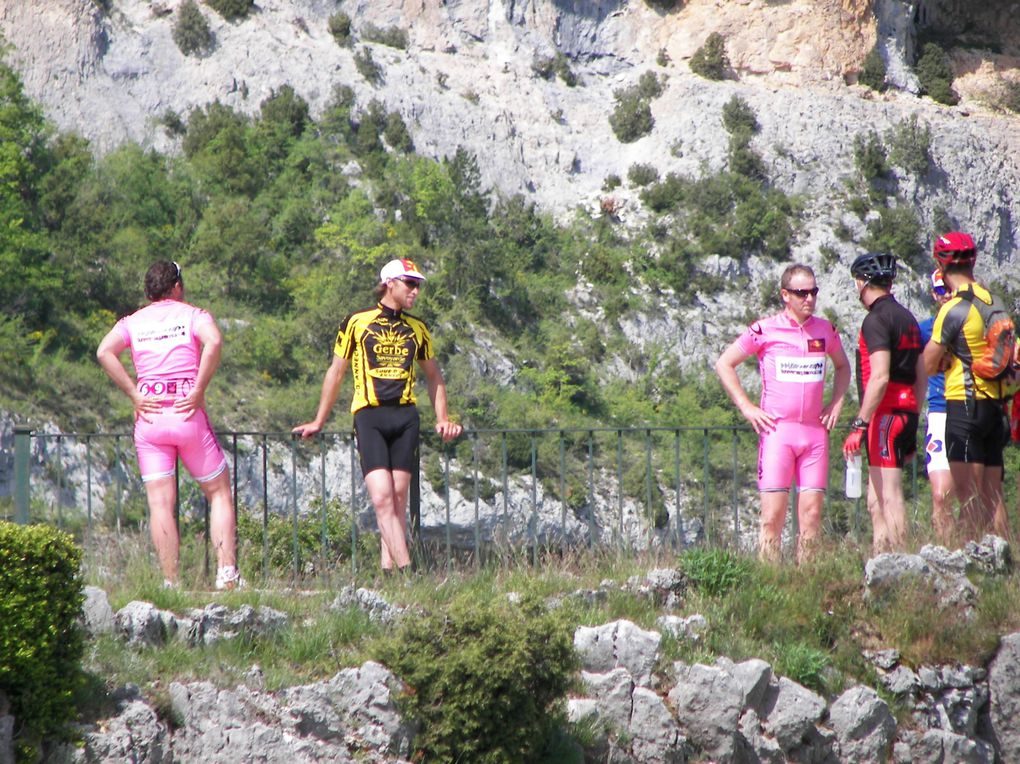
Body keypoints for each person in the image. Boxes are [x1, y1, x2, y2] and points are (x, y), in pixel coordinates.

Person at [293, 258, 463, 573]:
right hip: (369, 416)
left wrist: (442, 418)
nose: (416, 290)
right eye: (410, 283)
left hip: (406, 417)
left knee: (398, 501)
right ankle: (410, 573)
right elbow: (336, 371)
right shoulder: (356, 322)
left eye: (418, 285)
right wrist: (319, 420)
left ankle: (389, 572)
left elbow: (434, 376)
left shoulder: (418, 328)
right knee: (383, 500)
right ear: (390, 283)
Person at [96, 260, 243, 590]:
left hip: (149, 418)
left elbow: (104, 351)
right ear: (176, 286)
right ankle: (226, 575)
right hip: (186, 413)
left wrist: (134, 393)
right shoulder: (193, 315)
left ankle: (170, 582)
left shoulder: (132, 322)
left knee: (160, 504)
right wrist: (198, 388)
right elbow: (214, 342)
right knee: (218, 493)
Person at [716, 264, 851, 563]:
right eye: (802, 293)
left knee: (812, 516)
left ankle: (807, 583)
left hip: (814, 434)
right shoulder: (765, 329)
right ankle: (770, 584)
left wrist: (836, 403)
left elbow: (843, 367)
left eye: (814, 292)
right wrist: (747, 407)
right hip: (778, 434)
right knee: (772, 519)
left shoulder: (825, 329)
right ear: (785, 295)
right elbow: (725, 364)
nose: (810, 299)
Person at [921, 232, 1012, 541]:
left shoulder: (954, 308)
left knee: (968, 497)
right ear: (973, 261)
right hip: (995, 408)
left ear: (940, 264)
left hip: (964, 406)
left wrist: (947, 357)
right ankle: (1005, 562)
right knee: (994, 495)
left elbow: (929, 363)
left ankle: (969, 565)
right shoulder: (993, 300)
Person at [842, 252, 925, 555]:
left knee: (889, 496)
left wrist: (859, 424)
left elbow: (878, 378)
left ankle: (903, 563)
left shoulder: (875, 320)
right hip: (906, 411)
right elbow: (921, 375)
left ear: (862, 282)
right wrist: (913, 418)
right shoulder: (908, 318)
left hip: (885, 416)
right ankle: (880, 558)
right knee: (875, 498)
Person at [918, 268, 955, 544]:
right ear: (933, 294)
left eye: (950, 288)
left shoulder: (974, 321)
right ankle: (945, 551)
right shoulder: (924, 329)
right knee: (940, 495)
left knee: (976, 493)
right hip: (940, 412)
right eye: (941, 290)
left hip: (971, 410)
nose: (946, 295)